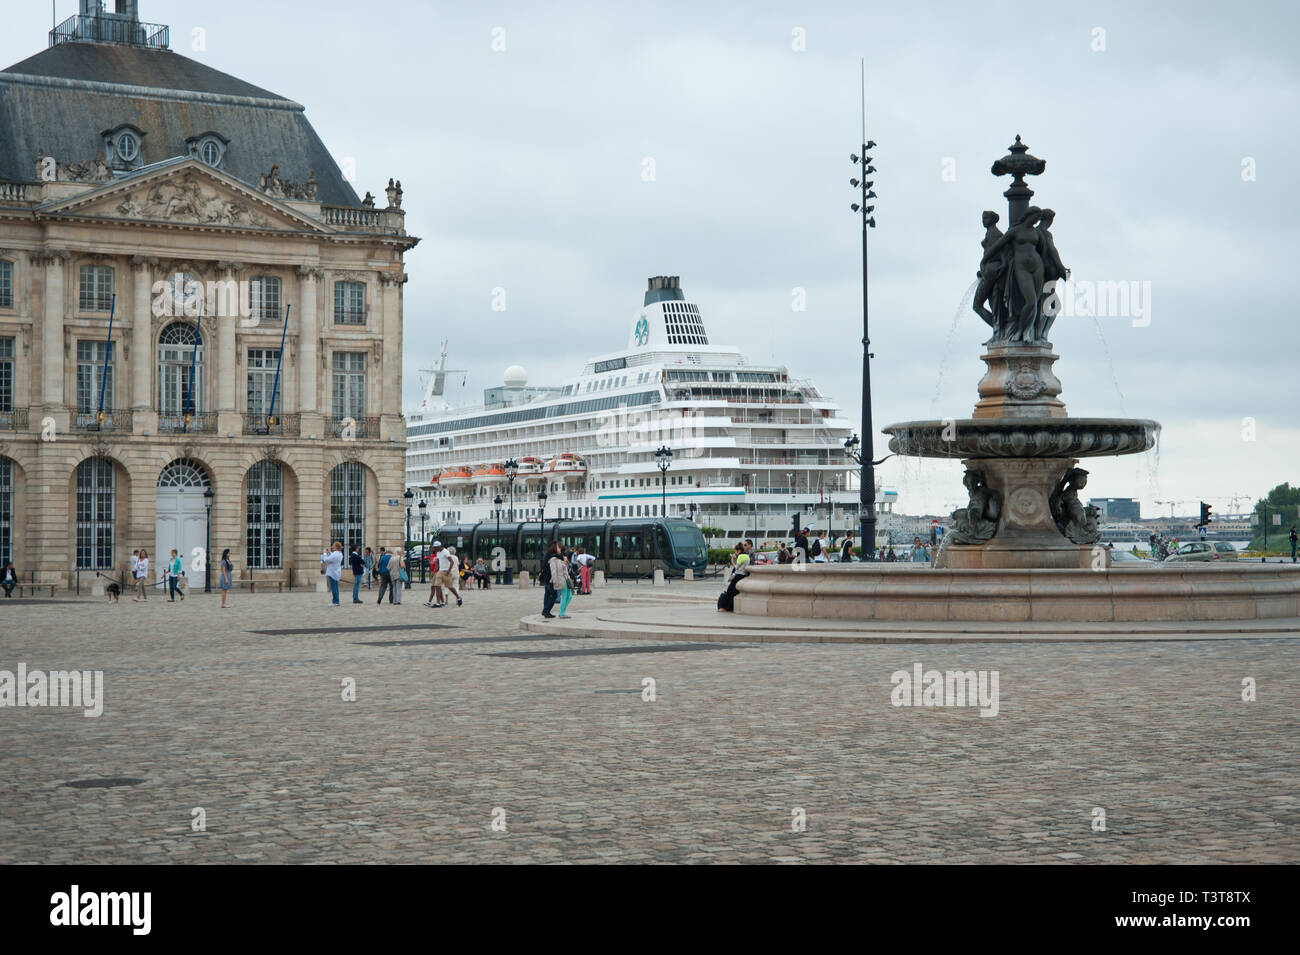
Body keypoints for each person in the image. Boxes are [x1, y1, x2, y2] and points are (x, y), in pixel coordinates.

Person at [549, 545, 573, 618]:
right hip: (561, 580)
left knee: (569, 596)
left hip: (566, 579)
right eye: (558, 548)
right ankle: (562, 613)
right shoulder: (553, 559)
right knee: (564, 596)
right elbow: (553, 572)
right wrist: (556, 582)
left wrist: (566, 562)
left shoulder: (561, 558)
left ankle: (562, 611)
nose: (559, 549)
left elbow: (566, 569)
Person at [539, 543, 560, 619]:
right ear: (554, 548)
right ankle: (546, 611)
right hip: (550, 579)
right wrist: (555, 580)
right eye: (558, 547)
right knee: (554, 595)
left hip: (546, 579)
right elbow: (553, 570)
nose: (559, 548)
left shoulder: (548, 555)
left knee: (547, 594)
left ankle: (546, 611)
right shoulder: (553, 557)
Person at [320, 541, 343, 606]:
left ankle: (335, 602)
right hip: (336, 572)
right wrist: (329, 552)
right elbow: (332, 557)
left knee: (333, 588)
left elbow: (326, 560)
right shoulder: (340, 553)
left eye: (333, 545)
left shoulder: (335, 554)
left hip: (332, 572)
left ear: (336, 547)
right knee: (335, 587)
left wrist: (324, 553)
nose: (332, 546)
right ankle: (336, 601)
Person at [424, 541, 443, 606]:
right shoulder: (432, 555)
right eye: (432, 548)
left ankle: (429, 601)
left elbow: (438, 564)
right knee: (437, 588)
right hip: (433, 572)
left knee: (434, 587)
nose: (432, 549)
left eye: (433, 548)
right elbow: (432, 564)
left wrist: (434, 571)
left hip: (437, 572)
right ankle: (442, 601)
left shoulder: (438, 554)